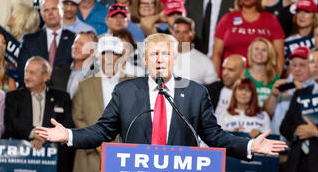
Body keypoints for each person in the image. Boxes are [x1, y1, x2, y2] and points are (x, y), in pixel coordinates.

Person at [35, 33, 288, 160]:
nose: (159, 60)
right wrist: (68, 134)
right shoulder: (125, 92)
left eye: (165, 54)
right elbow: (102, 131)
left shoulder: (196, 93)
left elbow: (214, 136)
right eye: (153, 55)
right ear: (144, 60)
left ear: (174, 59)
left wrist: (248, 145)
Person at [4, 56, 74, 172]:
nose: (27, 76)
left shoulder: (62, 98)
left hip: (52, 167)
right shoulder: (13, 97)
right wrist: (34, 134)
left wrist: (44, 137)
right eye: (26, 72)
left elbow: (67, 125)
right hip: (21, 167)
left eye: (32, 73)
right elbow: (11, 124)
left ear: (45, 76)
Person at [72, 35, 132, 172]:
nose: (109, 57)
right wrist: (96, 142)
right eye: (105, 53)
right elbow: (78, 116)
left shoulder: (133, 84)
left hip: (124, 156)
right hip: (91, 156)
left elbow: (137, 117)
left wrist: (118, 144)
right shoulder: (85, 85)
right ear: (99, 56)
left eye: (114, 53)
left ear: (121, 57)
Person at [212, 0, 285, 76]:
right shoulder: (228, 18)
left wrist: (274, 82)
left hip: (261, 80)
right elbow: (216, 54)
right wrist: (217, 79)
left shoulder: (270, 20)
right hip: (231, 78)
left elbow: (279, 55)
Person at [219, 77, 271, 172]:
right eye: (240, 89)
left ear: (253, 94)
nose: (243, 93)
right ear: (234, 92)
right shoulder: (222, 115)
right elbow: (214, 141)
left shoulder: (263, 116)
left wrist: (260, 135)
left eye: (248, 90)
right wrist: (230, 135)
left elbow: (270, 146)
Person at [17, 0, 76, 84]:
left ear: (62, 10)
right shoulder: (29, 41)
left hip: (65, 94)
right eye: (46, 10)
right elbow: (22, 73)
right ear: (42, 15)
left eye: (54, 8)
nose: (50, 13)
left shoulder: (74, 40)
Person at [264, 46, 313, 140]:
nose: (297, 69)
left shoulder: (316, 87)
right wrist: (273, 95)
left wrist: (302, 94)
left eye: (302, 65)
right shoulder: (283, 84)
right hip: (276, 140)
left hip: (299, 142)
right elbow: (268, 113)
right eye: (294, 65)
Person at [172, 16, 217, 85]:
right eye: (177, 32)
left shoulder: (205, 62)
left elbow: (212, 89)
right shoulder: (162, 58)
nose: (181, 36)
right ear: (173, 35)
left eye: (185, 32)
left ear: (192, 35)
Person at [206, 54, 247, 121]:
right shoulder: (211, 90)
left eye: (230, 70)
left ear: (242, 73)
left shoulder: (249, 92)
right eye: (224, 68)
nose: (225, 73)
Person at [244, 37, 279, 107]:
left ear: (269, 54)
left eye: (264, 50)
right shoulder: (242, 75)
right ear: (251, 52)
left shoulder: (276, 79)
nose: (259, 53)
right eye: (256, 49)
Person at [65, 30, 97, 98]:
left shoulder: (98, 75)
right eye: (75, 43)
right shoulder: (59, 72)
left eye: (82, 44)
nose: (75, 47)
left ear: (92, 52)